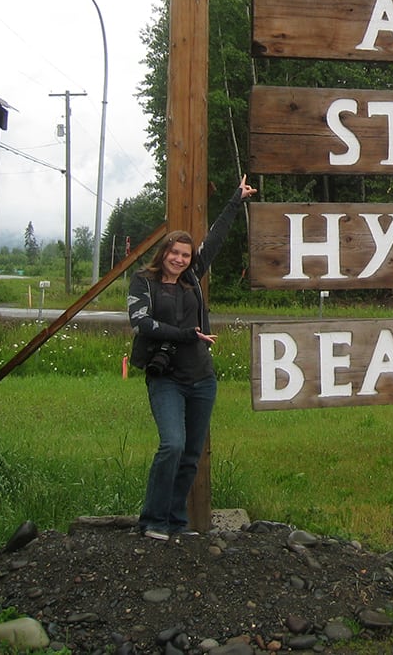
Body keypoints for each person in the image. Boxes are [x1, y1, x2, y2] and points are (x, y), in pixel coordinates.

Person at [127, 176, 256, 539]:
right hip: (165, 377)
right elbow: (141, 323)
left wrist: (236, 200)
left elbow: (213, 241)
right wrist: (187, 335)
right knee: (172, 444)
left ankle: (175, 522)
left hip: (202, 378)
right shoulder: (143, 282)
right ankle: (152, 520)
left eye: (185, 255)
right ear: (163, 253)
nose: (180, 259)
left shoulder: (192, 277)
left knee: (190, 455)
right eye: (175, 253)